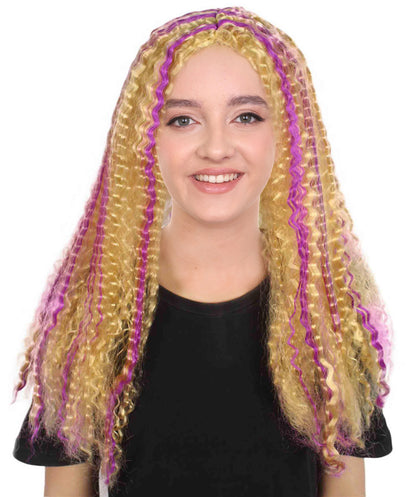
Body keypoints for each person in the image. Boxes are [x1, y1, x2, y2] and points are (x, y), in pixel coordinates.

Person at [11, 6, 393, 497]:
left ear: (287, 134)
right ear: (147, 138)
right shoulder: (95, 311)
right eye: (183, 119)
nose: (216, 147)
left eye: (246, 117)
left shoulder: (327, 308)